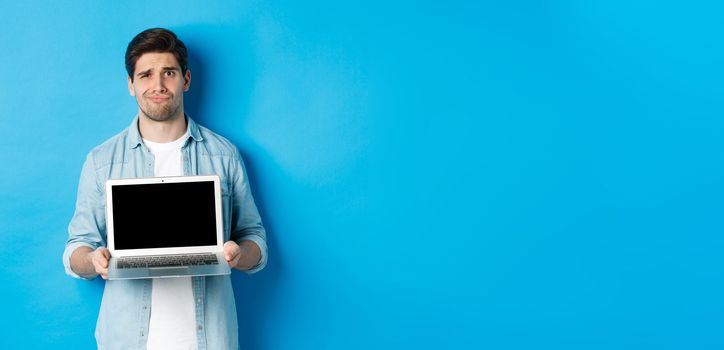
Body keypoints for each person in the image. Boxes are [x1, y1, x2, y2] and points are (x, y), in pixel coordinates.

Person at [63, 28, 268, 350]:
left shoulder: (224, 154)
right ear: (131, 85)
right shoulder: (101, 161)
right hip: (126, 340)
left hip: (210, 339)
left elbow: (254, 237)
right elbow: (77, 248)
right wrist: (94, 261)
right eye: (145, 75)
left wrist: (239, 254)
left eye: (168, 73)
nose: (157, 85)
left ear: (185, 80)